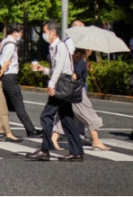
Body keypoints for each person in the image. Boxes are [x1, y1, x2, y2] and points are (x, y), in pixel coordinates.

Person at [26, 21, 84, 162]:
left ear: (52, 32)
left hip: (60, 86)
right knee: (67, 119)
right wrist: (44, 70)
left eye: (45, 31)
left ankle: (45, 149)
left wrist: (51, 84)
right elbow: (57, 69)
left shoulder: (60, 46)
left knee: (46, 115)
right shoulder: (55, 48)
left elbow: (59, 70)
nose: (44, 34)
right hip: (62, 84)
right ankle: (77, 152)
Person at [53, 47, 110, 150]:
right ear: (86, 51)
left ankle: (53, 138)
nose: (91, 52)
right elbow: (75, 75)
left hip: (70, 92)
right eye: (90, 50)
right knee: (90, 115)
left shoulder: (74, 60)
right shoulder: (82, 62)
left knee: (66, 116)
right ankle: (96, 141)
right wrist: (78, 73)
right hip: (78, 93)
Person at [0, 23, 41, 137]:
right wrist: (3, 70)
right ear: (14, 32)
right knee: (18, 104)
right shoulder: (10, 45)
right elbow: (3, 62)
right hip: (9, 77)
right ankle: (31, 130)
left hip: (6, 77)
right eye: (20, 33)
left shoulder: (5, 42)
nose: (21, 35)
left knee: (4, 106)